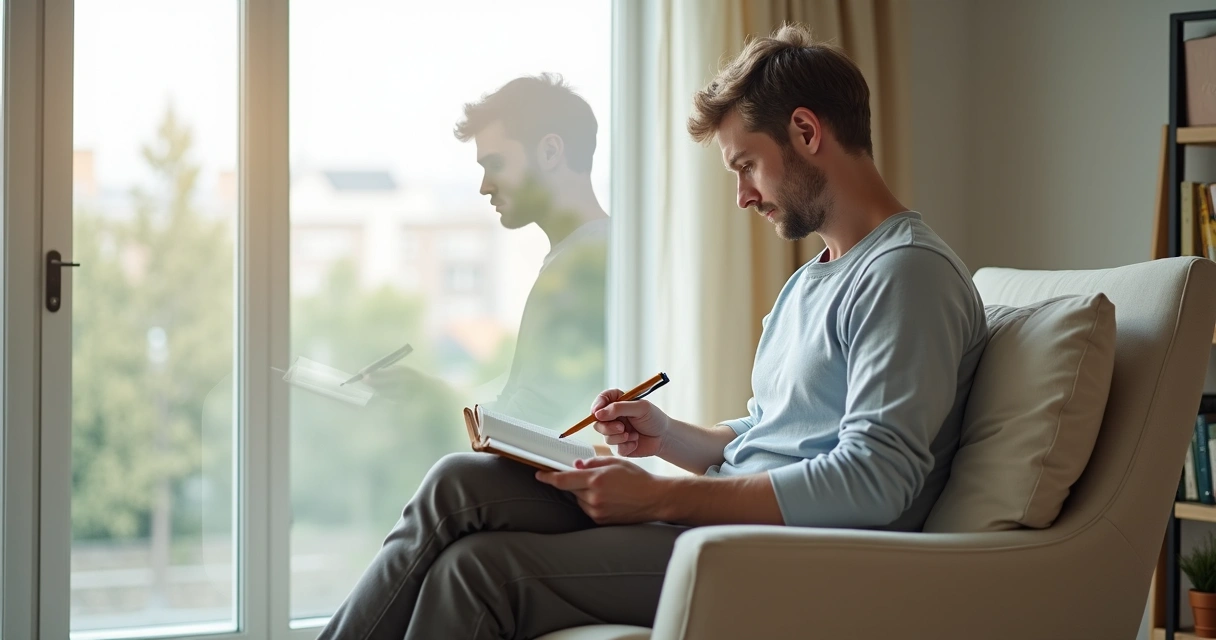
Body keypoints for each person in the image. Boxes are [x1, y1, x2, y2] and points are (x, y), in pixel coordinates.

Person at [317, 24, 988, 640]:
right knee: (458, 483)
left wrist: (664, 495)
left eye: (746, 165)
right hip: (724, 521)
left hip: (777, 556)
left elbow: (875, 480)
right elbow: (771, 430)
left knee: (478, 572)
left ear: (806, 131)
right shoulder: (815, 278)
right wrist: (666, 436)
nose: (743, 196)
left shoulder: (906, 274)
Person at [366, 73, 610, 434]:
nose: (484, 187)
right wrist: (434, 392)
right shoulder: (580, 256)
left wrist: (437, 406)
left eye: (495, 165)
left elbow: (533, 418)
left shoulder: (587, 267)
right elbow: (521, 396)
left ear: (550, 152)